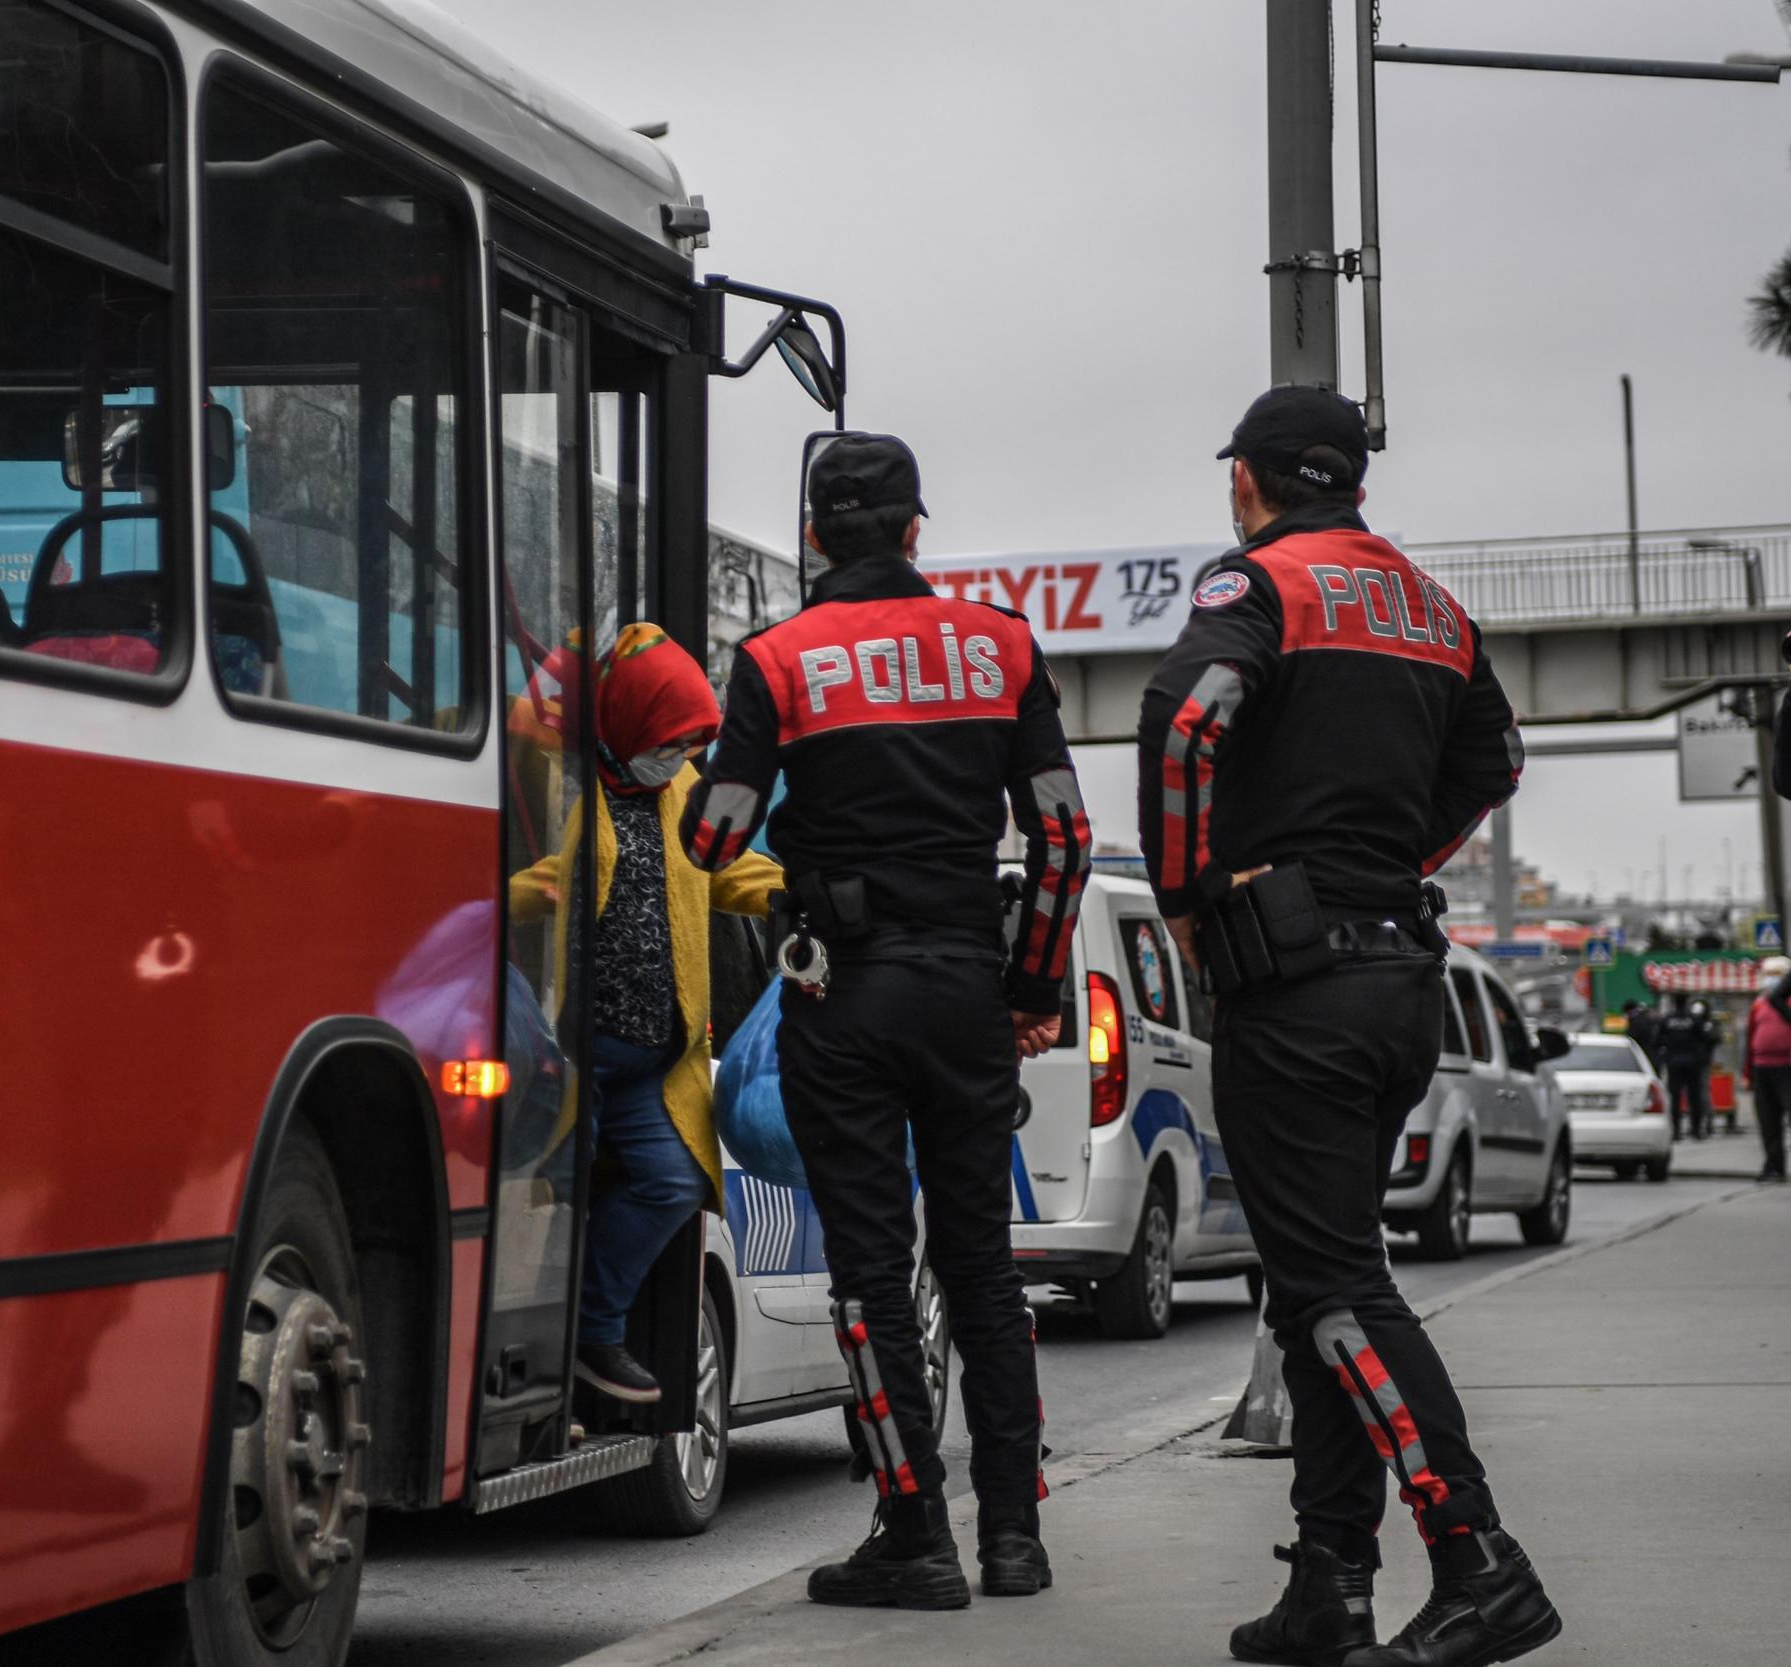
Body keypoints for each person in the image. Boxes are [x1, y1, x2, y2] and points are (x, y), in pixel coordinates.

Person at [1138, 386, 1557, 1667]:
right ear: (1354, 482)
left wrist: (1191, 898)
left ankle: (1477, 1558)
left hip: (1295, 992)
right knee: (1316, 1277)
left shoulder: (1258, 583)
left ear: (1247, 480)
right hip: (1399, 983)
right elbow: (1494, 764)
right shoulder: (1428, 605)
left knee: (1329, 1284)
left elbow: (1185, 721)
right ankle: (1331, 1575)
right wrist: (1383, 861)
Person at [680, 433, 1089, 1611]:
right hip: (968, 987)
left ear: (815, 535)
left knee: (869, 1272)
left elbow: (713, 838)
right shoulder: (1002, 645)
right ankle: (1014, 1532)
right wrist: (1030, 987)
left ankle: (913, 1528)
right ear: (917, 529)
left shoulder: (777, 658)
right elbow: (1060, 837)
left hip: (839, 996)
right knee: (981, 1270)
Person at [509, 622, 783, 1403]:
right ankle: (548, 1340)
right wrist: (510, 901)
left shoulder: (682, 791)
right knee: (565, 1175)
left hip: (655, 1061)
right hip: (577, 1050)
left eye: (689, 742)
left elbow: (729, 866)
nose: (677, 755)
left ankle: (593, 1329)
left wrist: (795, 893)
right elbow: (541, 870)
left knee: (670, 1182)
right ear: (628, 720)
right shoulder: (564, 779)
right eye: (669, 739)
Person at [1746, 958, 1791, 1183]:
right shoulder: (1759, 1004)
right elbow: (1750, 1038)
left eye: (1776, 974)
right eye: (1768, 973)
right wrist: (1748, 1074)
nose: (1772, 978)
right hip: (1762, 1067)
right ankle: (1774, 1166)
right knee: (1768, 1121)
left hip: (1787, 1066)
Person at [1656, 993, 1718, 1141]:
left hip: (1674, 1063)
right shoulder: (1693, 1020)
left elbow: (1658, 1040)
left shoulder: (1668, 1019)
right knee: (1694, 1097)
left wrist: (1665, 1056)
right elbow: (1705, 1038)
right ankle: (1696, 1130)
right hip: (1693, 1063)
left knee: (1675, 1098)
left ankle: (1676, 1131)